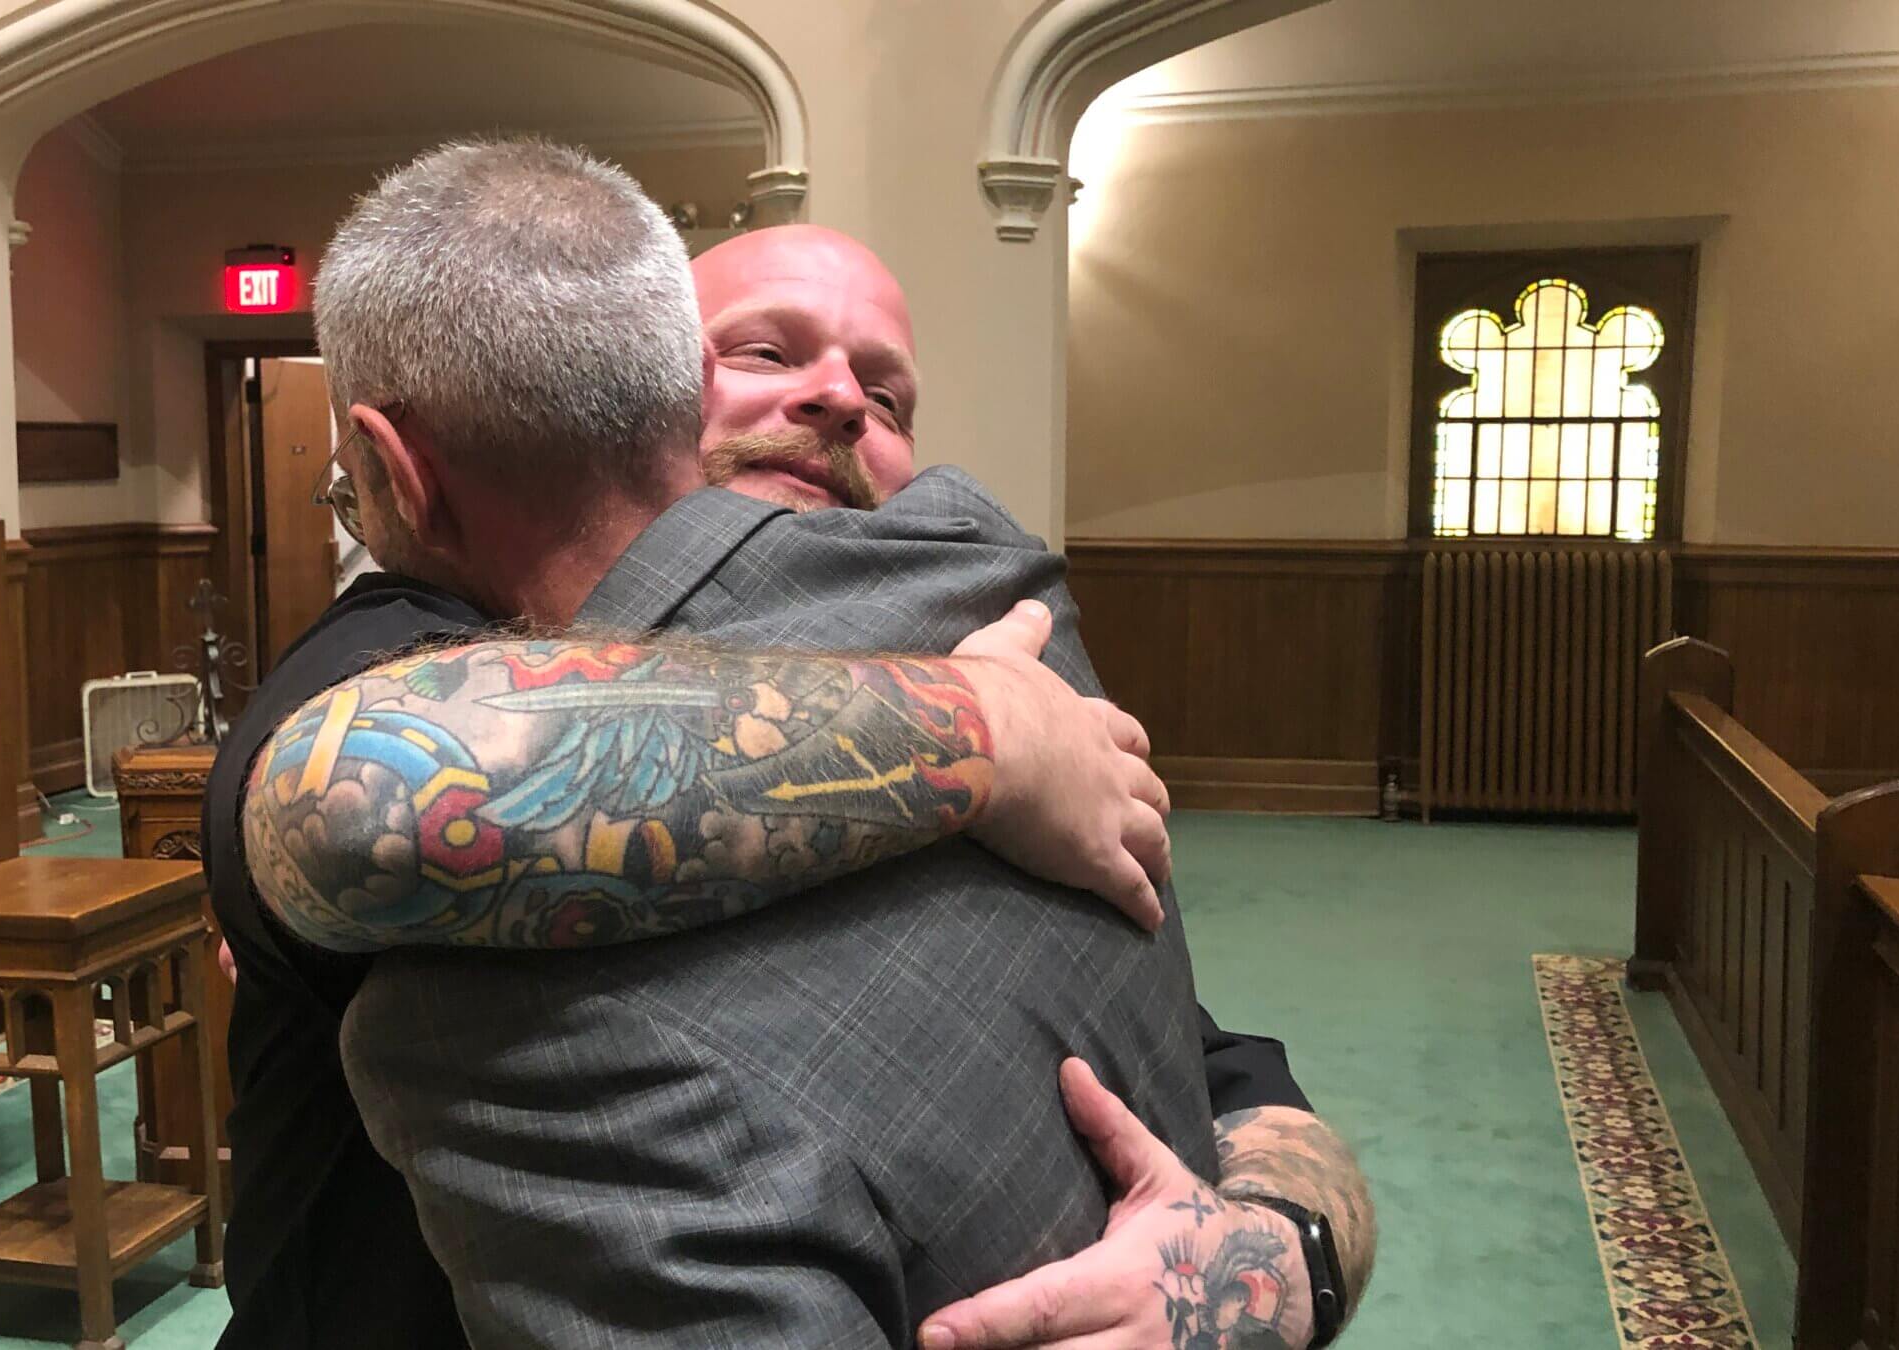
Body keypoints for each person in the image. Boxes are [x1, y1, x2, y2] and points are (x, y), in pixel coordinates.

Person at [239, 138, 1329, 1347]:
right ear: (652, 383)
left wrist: (1276, 1264)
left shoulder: (992, 622)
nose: (840, 400)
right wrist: (989, 736)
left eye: (888, 393)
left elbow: (1212, 1058)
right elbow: (353, 794)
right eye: (764, 351)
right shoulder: (413, 646)